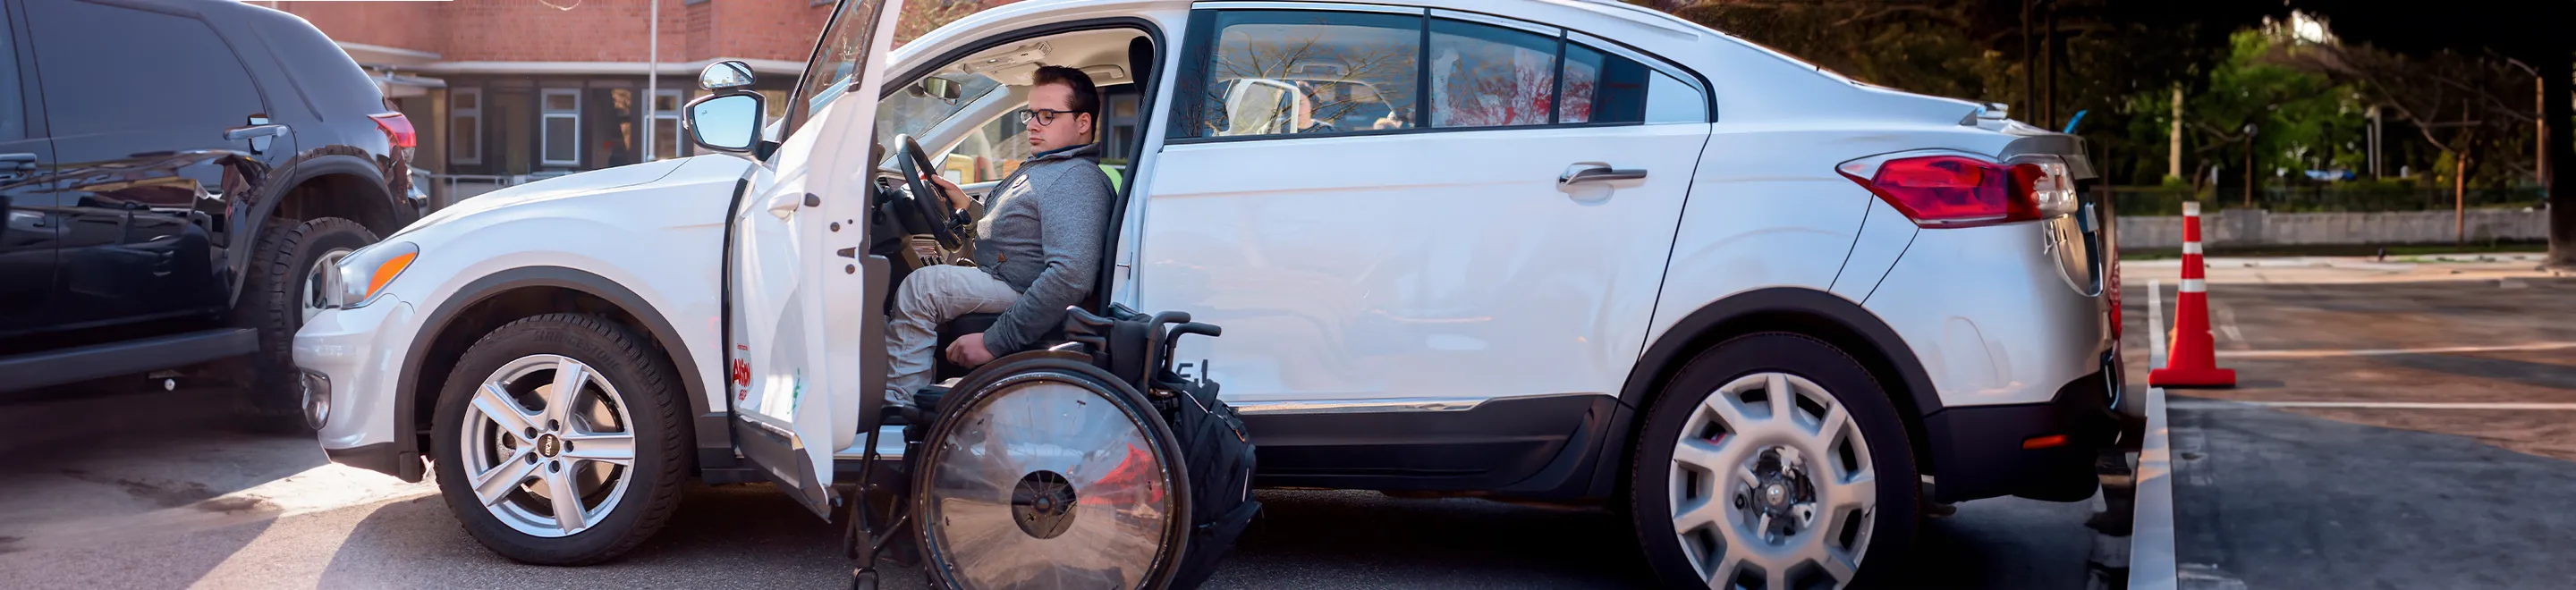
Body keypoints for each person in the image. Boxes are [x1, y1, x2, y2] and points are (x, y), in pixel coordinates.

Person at [882, 64, 1114, 409]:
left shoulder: (1074, 178)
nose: (1033, 124)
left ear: (1083, 123)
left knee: (921, 288)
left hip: (1021, 289)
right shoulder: (1051, 165)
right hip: (1009, 277)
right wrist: (967, 207)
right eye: (1031, 114)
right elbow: (1018, 236)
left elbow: (1070, 275)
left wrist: (994, 341)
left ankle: (899, 407)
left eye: (1048, 115)